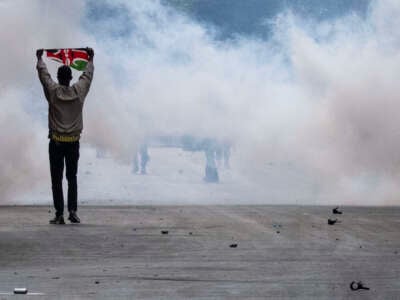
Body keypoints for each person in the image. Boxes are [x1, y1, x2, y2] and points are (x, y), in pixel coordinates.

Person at [36, 48, 94, 224]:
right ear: (70, 79)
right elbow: (87, 77)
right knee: (72, 178)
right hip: (73, 143)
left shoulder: (53, 93)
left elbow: (44, 77)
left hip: (56, 143)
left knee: (57, 179)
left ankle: (60, 213)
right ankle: (73, 211)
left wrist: (40, 59)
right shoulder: (79, 93)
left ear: (59, 78)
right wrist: (90, 59)